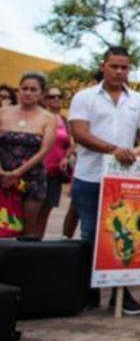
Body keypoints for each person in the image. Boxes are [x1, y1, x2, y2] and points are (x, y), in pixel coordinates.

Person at [69, 46, 140, 315]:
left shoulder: (138, 100)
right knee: (90, 235)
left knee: (123, 233)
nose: (120, 72)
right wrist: (113, 149)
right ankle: (88, 292)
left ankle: (121, 294)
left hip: (123, 179)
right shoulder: (85, 96)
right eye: (114, 66)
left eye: (124, 67)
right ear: (103, 66)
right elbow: (79, 133)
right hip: (90, 176)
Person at [0, 72, 58, 238]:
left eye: (34, 89)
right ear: (18, 90)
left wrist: (17, 173)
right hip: (2, 175)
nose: (28, 93)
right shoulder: (3, 112)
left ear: (41, 93)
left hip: (32, 178)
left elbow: (44, 150)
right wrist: (2, 171)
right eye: (24, 88)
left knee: (27, 230)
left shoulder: (48, 118)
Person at [40, 86, 73, 238]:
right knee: (31, 209)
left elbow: (70, 144)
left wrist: (66, 157)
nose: (56, 99)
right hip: (37, 170)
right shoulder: (39, 116)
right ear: (44, 99)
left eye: (59, 96)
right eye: (51, 96)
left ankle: (36, 244)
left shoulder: (65, 120)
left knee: (46, 210)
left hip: (55, 172)